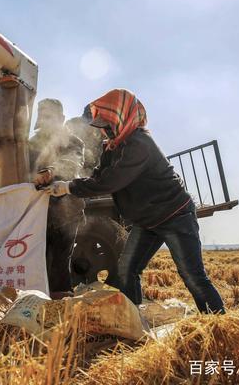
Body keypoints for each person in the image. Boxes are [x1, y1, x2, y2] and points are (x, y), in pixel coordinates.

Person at [43, 89, 225, 313]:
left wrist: (69, 187)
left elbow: (109, 182)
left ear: (122, 119)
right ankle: (135, 321)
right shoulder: (113, 147)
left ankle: (218, 325)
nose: (104, 130)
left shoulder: (139, 144)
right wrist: (69, 181)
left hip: (174, 216)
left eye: (107, 123)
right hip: (147, 221)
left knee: (192, 276)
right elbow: (99, 175)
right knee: (126, 269)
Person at [30, 98, 85, 294]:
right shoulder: (32, 143)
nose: (44, 120)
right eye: (42, 116)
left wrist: (52, 171)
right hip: (38, 211)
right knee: (38, 260)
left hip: (66, 211)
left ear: (61, 118)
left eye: (49, 116)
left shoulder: (73, 141)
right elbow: (23, 169)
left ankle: (60, 307)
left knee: (60, 263)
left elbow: (72, 163)